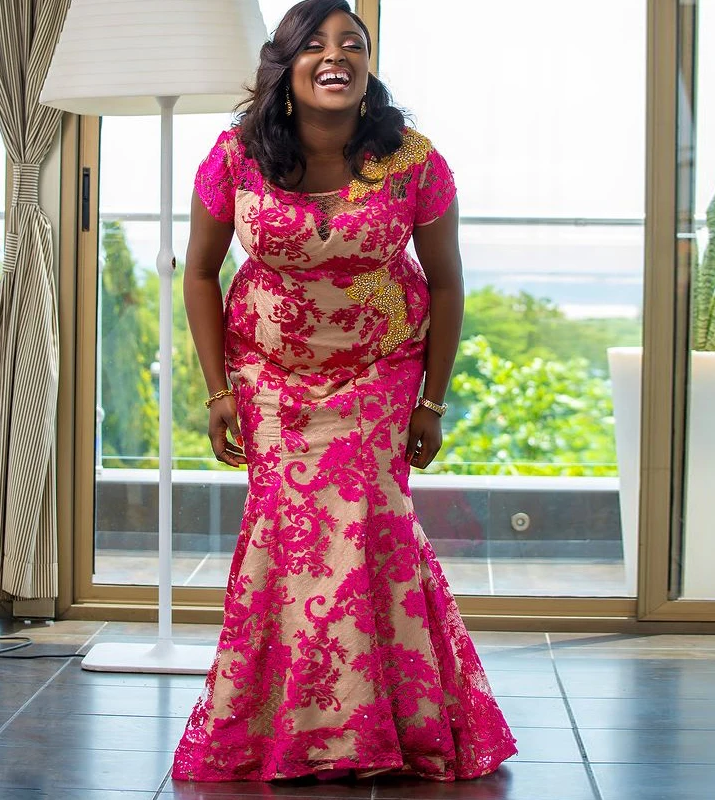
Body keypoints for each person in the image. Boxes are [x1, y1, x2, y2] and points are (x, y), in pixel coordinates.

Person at [171, 0, 517, 784]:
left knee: (375, 532)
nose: (336, 55)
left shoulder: (414, 160)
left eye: (352, 43)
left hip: (380, 373)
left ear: (367, 65)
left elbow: (447, 282)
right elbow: (199, 273)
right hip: (270, 379)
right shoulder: (235, 155)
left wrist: (432, 401)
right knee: (286, 541)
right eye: (316, 45)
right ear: (286, 66)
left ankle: (386, 727)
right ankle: (287, 730)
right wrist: (218, 390)